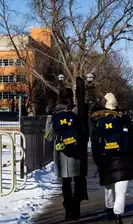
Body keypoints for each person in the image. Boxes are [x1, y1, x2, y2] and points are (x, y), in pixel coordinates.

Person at [90, 93, 133, 223]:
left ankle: (109, 209)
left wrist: (97, 160)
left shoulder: (97, 120)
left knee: (109, 188)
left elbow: (94, 142)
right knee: (121, 190)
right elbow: (132, 134)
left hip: (105, 160)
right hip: (122, 159)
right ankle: (118, 216)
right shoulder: (123, 118)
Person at [45, 87, 88, 221]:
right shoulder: (76, 110)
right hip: (76, 152)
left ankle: (68, 207)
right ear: (71, 96)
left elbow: (48, 137)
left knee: (66, 183)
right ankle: (75, 208)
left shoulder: (54, 113)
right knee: (79, 180)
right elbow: (86, 132)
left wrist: (49, 117)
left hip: (61, 154)